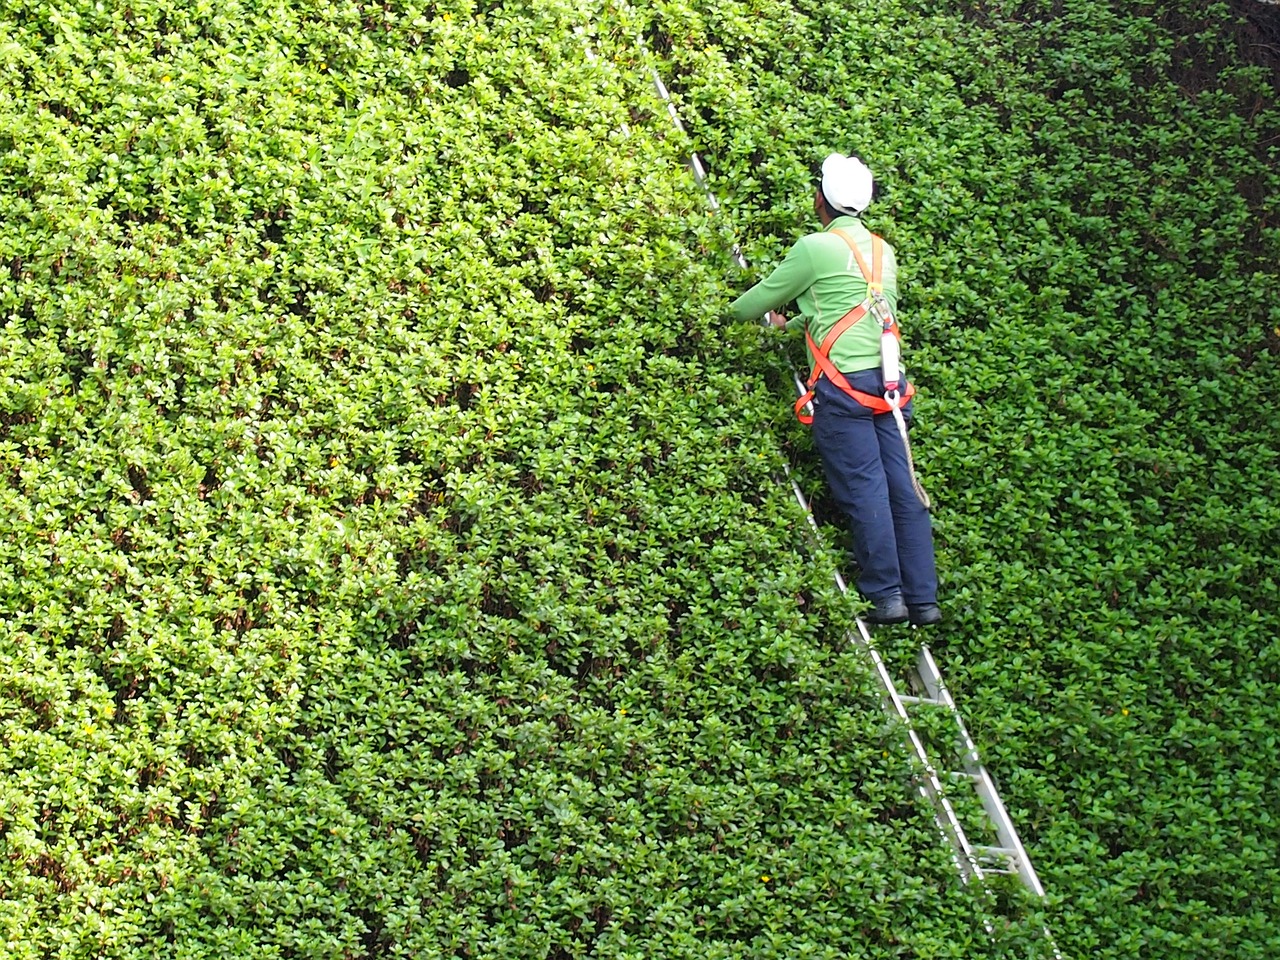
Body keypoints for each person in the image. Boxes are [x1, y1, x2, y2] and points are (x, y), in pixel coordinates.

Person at [729, 153, 941, 626]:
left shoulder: (814, 248)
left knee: (865, 488)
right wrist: (798, 324)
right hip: (887, 385)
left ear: (820, 198)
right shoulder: (882, 252)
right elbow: (855, 309)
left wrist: (721, 317)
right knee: (903, 488)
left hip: (844, 393)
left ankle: (885, 595)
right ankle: (923, 600)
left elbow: (757, 302)